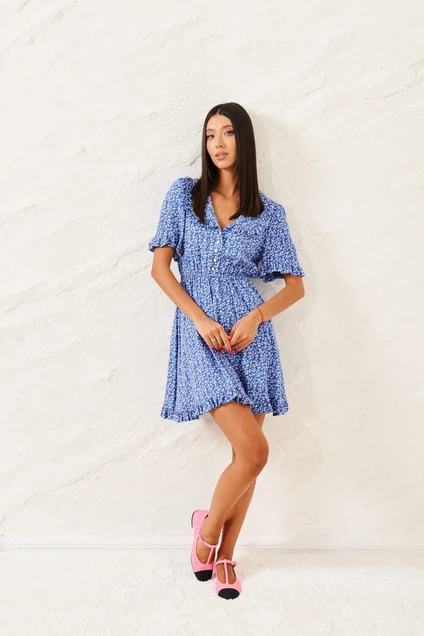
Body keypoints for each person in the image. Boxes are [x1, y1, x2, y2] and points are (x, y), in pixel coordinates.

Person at [148, 102, 305, 599]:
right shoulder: (184, 195)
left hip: (249, 338)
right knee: (256, 451)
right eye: (210, 134)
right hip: (201, 334)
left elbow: (295, 287)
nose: (217, 143)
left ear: (244, 140)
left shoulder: (268, 213)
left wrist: (256, 317)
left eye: (228, 133)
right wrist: (198, 318)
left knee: (247, 457)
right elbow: (160, 269)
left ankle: (225, 557)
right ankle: (207, 530)